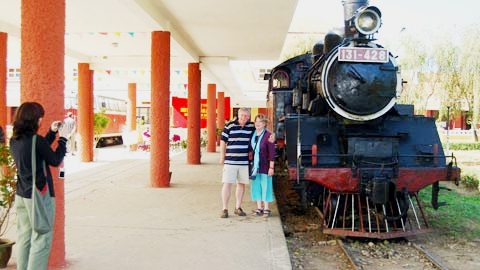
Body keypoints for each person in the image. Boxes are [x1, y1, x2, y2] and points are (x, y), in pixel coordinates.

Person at [10, 102, 74, 270]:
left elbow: (38, 151)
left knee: (24, 236)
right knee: (42, 237)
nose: (41, 121)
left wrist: (52, 133)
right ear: (34, 120)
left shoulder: (15, 140)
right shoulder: (35, 141)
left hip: (22, 195)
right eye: (40, 118)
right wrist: (64, 138)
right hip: (38, 197)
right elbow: (54, 160)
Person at [219, 108, 254, 218]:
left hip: (244, 162)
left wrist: (271, 137)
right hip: (230, 161)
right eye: (242, 115)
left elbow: (262, 132)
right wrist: (222, 157)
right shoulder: (229, 126)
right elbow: (223, 141)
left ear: (249, 117)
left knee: (241, 184)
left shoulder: (251, 127)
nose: (244, 117)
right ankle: (224, 209)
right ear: (238, 115)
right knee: (227, 184)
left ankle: (237, 207)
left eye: (246, 116)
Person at [249, 114, 275, 217]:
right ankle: (259, 208)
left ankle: (267, 208)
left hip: (265, 165)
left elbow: (272, 153)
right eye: (256, 122)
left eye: (260, 122)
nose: (257, 124)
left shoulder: (269, 135)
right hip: (255, 166)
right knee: (256, 186)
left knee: (266, 186)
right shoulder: (253, 134)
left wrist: (271, 167)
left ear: (264, 124)